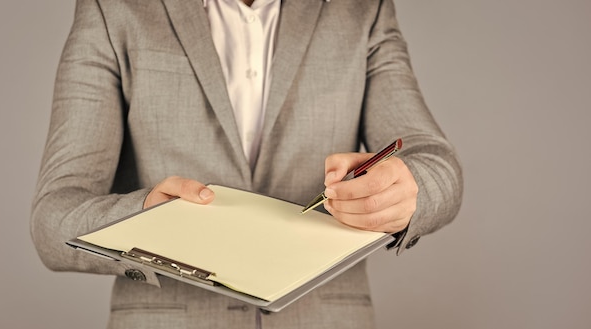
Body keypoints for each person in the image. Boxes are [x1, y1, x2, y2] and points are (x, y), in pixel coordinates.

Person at [30, 0, 463, 328]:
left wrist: (409, 189)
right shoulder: (113, 9)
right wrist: (144, 219)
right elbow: (53, 219)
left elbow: (434, 161)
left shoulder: (361, 9)